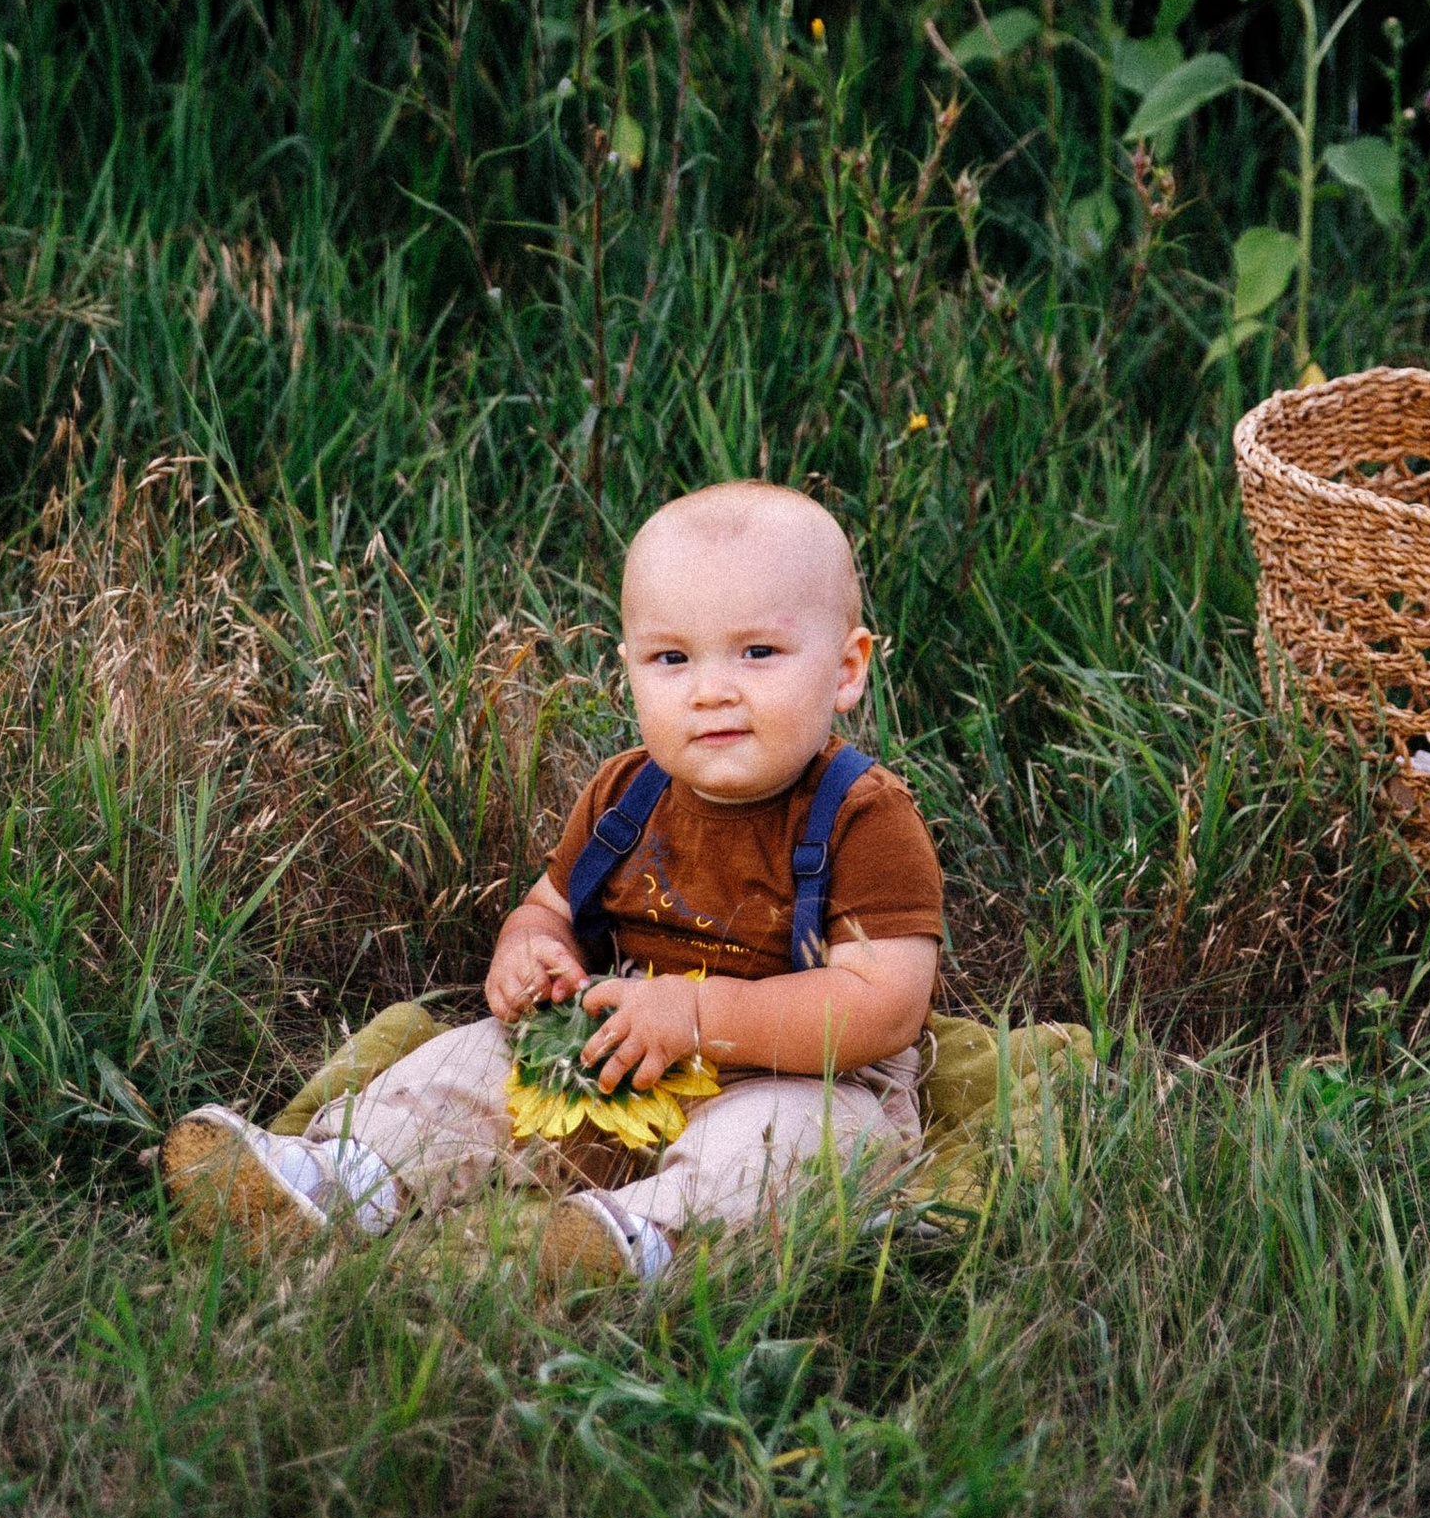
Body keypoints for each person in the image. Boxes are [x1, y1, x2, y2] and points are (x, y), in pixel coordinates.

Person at [160, 480, 944, 1286]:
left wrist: (702, 1016)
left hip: (800, 1075)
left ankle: (645, 1241)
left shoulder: (862, 817)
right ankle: (341, 1180)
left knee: (787, 1147)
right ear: (630, 669)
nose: (711, 690)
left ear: (846, 670)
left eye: (758, 653)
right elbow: (548, 907)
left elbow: (884, 1006)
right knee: (464, 1067)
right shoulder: (626, 795)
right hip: (610, 1059)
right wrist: (533, 948)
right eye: (672, 658)